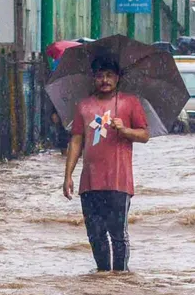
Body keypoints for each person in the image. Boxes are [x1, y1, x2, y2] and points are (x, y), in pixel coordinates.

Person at [63, 55, 149, 272]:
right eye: (100, 75)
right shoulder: (84, 105)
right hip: (90, 182)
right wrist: (68, 176)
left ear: (118, 78)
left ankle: (120, 278)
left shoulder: (130, 103)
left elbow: (144, 135)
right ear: (94, 78)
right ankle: (102, 277)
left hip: (119, 181)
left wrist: (125, 130)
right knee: (95, 234)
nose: (104, 80)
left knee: (118, 235)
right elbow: (76, 140)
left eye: (109, 75)